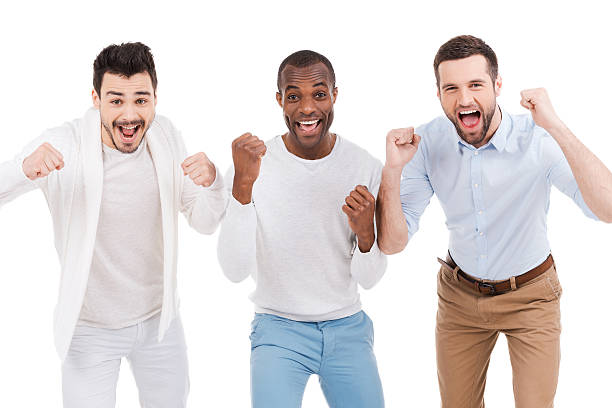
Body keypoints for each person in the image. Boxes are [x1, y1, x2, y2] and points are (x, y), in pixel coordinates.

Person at [376, 34, 612, 408]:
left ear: (497, 86)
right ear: (438, 94)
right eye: (451, 88)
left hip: (531, 297)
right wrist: (391, 171)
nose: (464, 99)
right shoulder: (425, 144)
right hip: (460, 297)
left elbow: (608, 208)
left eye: (475, 85)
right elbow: (392, 243)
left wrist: (556, 126)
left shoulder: (536, 138)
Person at [0, 42, 227, 407]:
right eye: (116, 100)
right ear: (96, 98)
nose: (129, 114)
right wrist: (22, 170)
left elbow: (204, 221)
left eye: (140, 99)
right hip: (90, 330)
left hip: (160, 322)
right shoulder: (65, 144)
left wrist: (215, 183)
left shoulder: (165, 136)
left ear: (154, 98)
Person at [217, 50, 387, 408]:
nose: (307, 108)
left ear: (334, 96)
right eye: (294, 96)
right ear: (280, 100)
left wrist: (367, 235)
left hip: (347, 328)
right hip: (278, 329)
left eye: (319, 94)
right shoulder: (254, 164)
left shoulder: (364, 166)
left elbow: (370, 280)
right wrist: (242, 189)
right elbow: (233, 271)